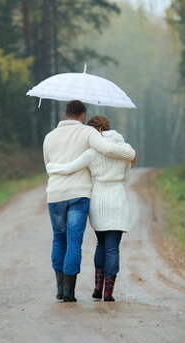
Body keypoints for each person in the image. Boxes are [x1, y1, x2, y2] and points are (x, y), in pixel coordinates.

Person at [43, 101, 135, 302]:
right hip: (91, 196)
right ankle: (79, 293)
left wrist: (53, 169)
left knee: (60, 240)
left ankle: (65, 289)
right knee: (80, 242)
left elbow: (54, 164)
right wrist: (130, 153)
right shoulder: (91, 135)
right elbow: (113, 156)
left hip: (62, 195)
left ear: (65, 113)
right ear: (82, 114)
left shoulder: (50, 137)